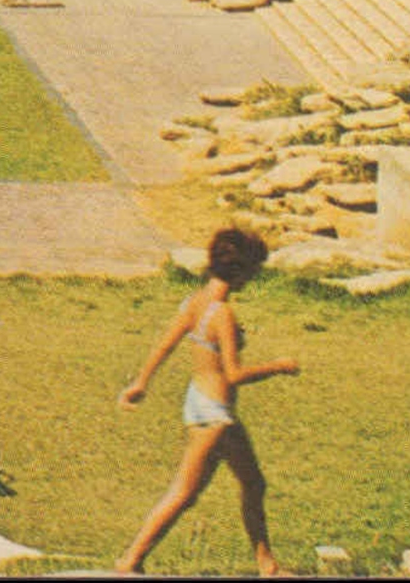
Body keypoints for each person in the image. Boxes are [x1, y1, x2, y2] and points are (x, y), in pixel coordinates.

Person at [113, 228, 299, 576]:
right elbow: (234, 374)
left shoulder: (194, 302)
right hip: (215, 414)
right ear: (241, 272)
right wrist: (279, 366)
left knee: (253, 483)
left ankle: (268, 565)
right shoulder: (222, 313)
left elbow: (165, 344)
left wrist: (141, 382)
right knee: (185, 492)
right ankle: (130, 561)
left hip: (201, 403)